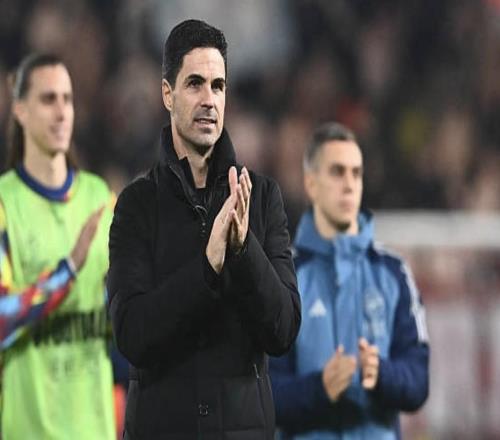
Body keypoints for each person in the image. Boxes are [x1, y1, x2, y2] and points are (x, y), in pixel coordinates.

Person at [107, 19, 301, 439]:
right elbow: (131, 334)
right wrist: (207, 266)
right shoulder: (136, 205)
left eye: (218, 86)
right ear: (167, 94)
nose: (209, 99)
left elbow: (284, 330)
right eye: (194, 84)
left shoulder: (262, 198)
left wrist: (243, 250)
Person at [269, 122, 429, 439]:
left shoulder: (393, 273)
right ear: (311, 183)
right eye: (337, 172)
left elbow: (419, 381)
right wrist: (318, 388)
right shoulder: (284, 277)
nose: (349, 184)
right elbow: (263, 393)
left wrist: (383, 373)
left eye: (356, 173)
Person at [0, 53, 115, 439]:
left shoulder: (101, 198)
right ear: (20, 111)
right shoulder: (4, 205)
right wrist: (67, 272)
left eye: (67, 99)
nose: (62, 112)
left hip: (95, 430)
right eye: (48, 99)